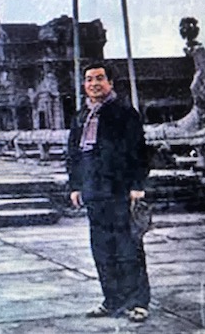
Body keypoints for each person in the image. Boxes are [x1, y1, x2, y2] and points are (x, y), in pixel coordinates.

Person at [67, 62, 151, 323]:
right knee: (102, 249)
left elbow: (139, 151)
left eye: (100, 79)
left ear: (110, 83)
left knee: (128, 247)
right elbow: (74, 155)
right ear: (84, 85)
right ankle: (111, 299)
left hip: (121, 190)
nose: (94, 84)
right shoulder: (81, 117)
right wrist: (75, 185)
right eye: (89, 79)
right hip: (94, 192)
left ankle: (138, 302)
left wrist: (137, 185)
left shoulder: (125, 113)